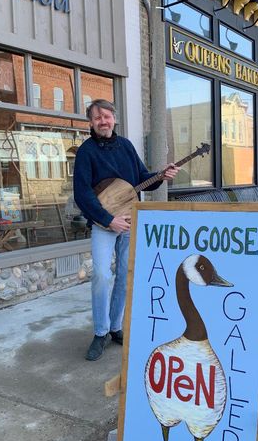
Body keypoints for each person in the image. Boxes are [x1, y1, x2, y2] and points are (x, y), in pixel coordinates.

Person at [73, 99, 179, 361]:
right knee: (100, 274)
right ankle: (100, 333)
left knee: (124, 275)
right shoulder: (86, 152)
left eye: (106, 116)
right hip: (103, 223)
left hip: (130, 221)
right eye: (97, 118)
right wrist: (109, 220)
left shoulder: (127, 147)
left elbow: (141, 180)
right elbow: (82, 194)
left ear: (114, 119)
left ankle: (115, 327)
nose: (103, 121)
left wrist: (160, 175)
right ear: (91, 123)